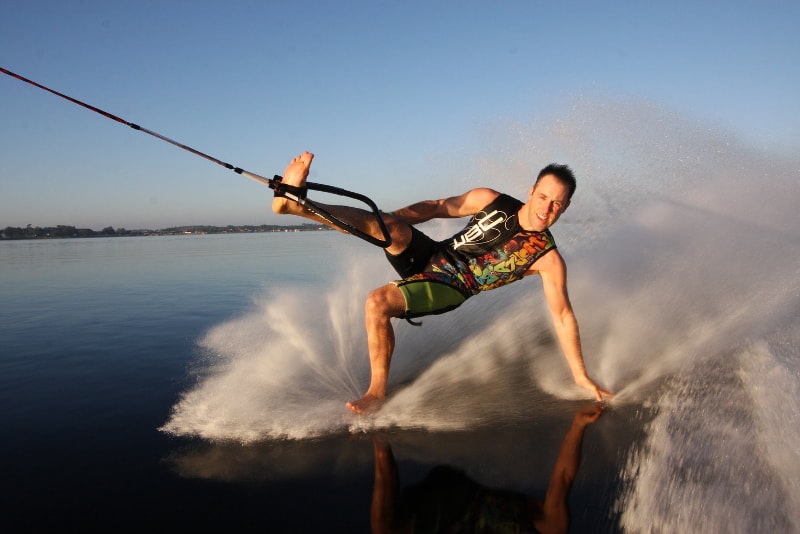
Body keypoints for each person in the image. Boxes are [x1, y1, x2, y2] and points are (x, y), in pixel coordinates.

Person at [273, 152, 612, 413]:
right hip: (433, 255)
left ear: (565, 208)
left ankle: (376, 393)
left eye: (557, 204)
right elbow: (436, 207)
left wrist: (580, 376)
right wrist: (385, 222)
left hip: (451, 286)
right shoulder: (490, 199)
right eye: (543, 197)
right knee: (389, 226)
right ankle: (296, 205)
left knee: (376, 303)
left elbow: (563, 317)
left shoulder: (547, 259)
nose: (546, 208)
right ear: (531, 191)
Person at [370, 405, 606, 533]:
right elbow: (563, 478)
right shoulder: (550, 528)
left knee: (383, 529)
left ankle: (378, 435)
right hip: (459, 497)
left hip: (437, 516)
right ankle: (380, 437)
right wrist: (578, 426)